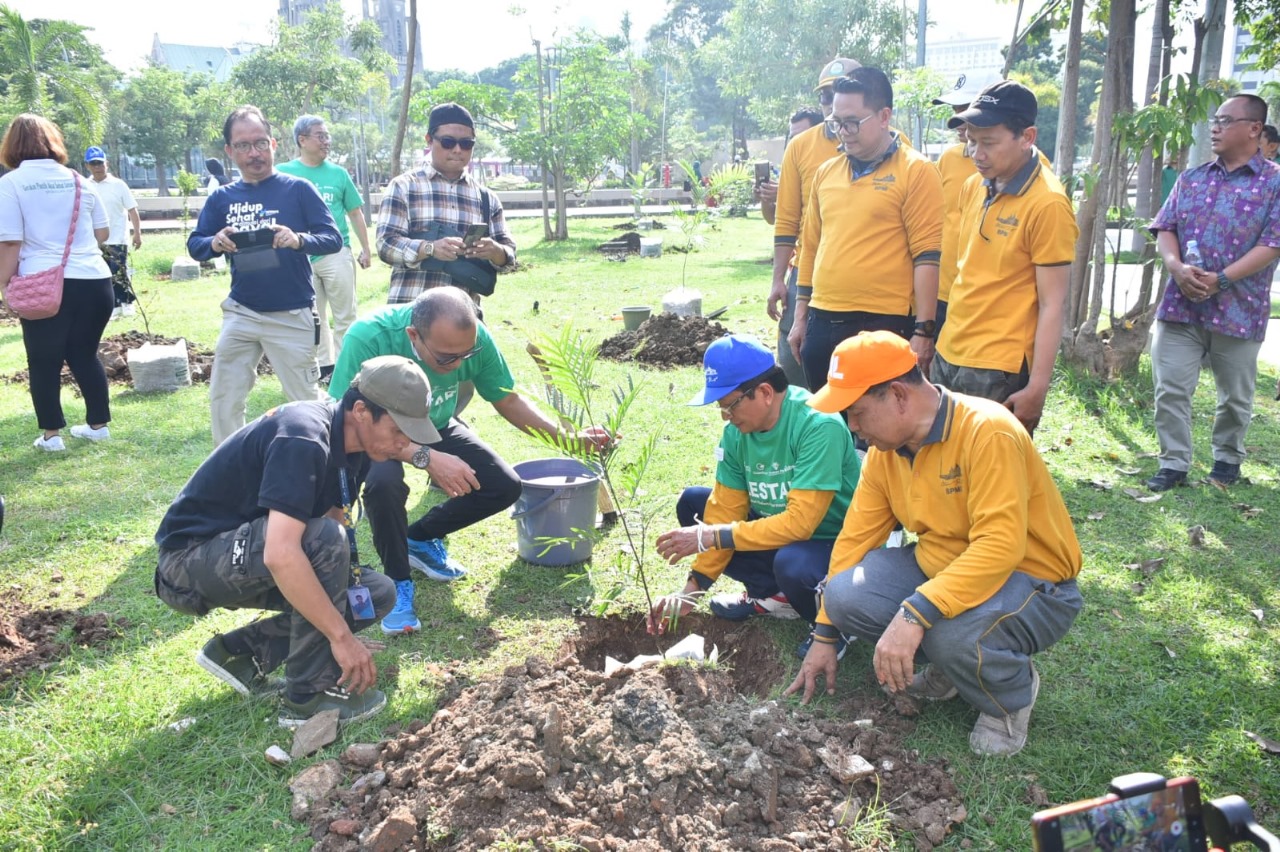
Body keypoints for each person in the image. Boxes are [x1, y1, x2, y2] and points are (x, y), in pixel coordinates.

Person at [786, 331, 1083, 757]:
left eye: (857, 413)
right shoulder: (885, 453)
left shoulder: (988, 431)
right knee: (844, 594)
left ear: (897, 395)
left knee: (949, 634)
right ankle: (957, 670)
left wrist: (916, 612)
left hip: (1034, 581)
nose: (853, 427)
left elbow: (1000, 546)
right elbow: (854, 540)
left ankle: (1008, 699)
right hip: (944, 569)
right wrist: (825, 633)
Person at [153, 355, 430, 727]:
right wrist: (341, 639)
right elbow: (283, 553)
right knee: (324, 541)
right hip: (188, 564)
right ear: (362, 410)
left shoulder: (359, 448)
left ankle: (240, 654)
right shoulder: (302, 436)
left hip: (249, 552)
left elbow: (331, 531)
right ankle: (306, 698)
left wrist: (342, 619)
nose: (404, 443)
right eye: (399, 429)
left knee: (375, 593)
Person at [328, 287, 611, 634]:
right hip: (378, 433)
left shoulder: (469, 339)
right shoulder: (370, 335)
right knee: (383, 485)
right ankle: (399, 582)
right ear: (413, 336)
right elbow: (347, 418)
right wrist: (424, 456)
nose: (459, 365)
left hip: (436, 424)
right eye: (447, 358)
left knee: (504, 486)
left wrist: (569, 439)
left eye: (467, 353)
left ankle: (417, 538)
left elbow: (506, 400)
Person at [647, 335, 860, 659]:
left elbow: (800, 525)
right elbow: (724, 511)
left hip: (835, 541)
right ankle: (773, 597)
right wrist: (690, 592)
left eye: (729, 405)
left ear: (763, 392)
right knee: (694, 504)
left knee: (794, 562)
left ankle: (837, 621)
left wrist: (709, 536)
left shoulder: (817, 425)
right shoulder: (736, 433)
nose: (726, 417)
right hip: (780, 534)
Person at [1145, 93, 1280, 491]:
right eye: (1214, 120)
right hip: (1180, 305)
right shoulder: (1192, 177)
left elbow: (1273, 244)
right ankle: (1173, 464)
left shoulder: (1274, 182)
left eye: (1225, 120)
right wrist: (1176, 267)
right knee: (1170, 388)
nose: (1215, 127)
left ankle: (1226, 460)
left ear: (1254, 128)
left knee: (1235, 397)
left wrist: (1221, 279)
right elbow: (1165, 227)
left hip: (1239, 309)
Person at [188, 105, 342, 446]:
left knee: (305, 402)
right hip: (242, 312)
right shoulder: (221, 198)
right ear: (229, 151)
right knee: (224, 398)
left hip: (292, 314)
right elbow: (195, 244)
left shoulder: (298, 189)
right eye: (243, 145)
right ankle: (228, 474)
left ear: (273, 144)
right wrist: (214, 242)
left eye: (259, 143)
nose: (253, 153)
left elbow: (332, 238)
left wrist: (298, 239)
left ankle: (322, 467)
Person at [933, 81, 1078, 435]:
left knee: (991, 476)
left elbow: (1053, 304)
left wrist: (1038, 387)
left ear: (1027, 137)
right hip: (950, 349)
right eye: (971, 141)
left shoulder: (1048, 204)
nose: (976, 154)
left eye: (989, 143)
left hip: (999, 367)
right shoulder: (975, 185)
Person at [791, 67, 943, 389]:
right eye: (836, 122)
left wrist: (923, 332)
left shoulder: (916, 172)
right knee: (828, 426)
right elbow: (810, 248)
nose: (843, 131)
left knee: (880, 432)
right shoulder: (826, 173)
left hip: (882, 323)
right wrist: (801, 316)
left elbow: (927, 258)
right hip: (822, 318)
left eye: (852, 122)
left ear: (884, 116)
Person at [0, 114, 114, 451]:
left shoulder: (11, 184)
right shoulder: (81, 181)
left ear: (12, 146)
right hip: (95, 280)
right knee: (84, 353)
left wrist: (3, 284)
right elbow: (103, 232)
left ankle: (51, 435)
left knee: (43, 359)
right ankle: (98, 425)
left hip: (43, 282)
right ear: (54, 143)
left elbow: (9, 243)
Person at [768, 57, 859, 388]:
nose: (832, 103)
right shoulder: (801, 147)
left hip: (866, 276)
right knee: (794, 356)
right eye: (826, 97)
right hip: (808, 270)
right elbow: (787, 219)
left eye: (843, 91)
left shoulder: (894, 146)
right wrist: (778, 279)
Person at [376, 103, 516, 306]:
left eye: (466, 143)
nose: (458, 150)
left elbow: (509, 254)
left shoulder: (486, 198)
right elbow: (385, 245)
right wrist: (429, 248)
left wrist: (495, 251)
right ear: (429, 140)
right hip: (410, 313)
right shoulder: (404, 187)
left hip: (464, 320)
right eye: (448, 142)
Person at [278, 116, 373, 381]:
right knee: (312, 317)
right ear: (302, 140)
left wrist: (366, 248)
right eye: (320, 136)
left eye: (327, 136)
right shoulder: (284, 172)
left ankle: (346, 369)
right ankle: (324, 369)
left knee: (345, 315)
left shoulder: (338, 174)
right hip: (300, 256)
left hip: (336, 252)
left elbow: (355, 213)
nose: (326, 141)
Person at [930, 71, 1000, 336]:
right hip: (942, 293)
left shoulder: (1020, 167)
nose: (959, 118)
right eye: (956, 108)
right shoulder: (948, 159)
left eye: (967, 108)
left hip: (986, 302)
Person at [83, 145, 141, 318]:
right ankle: (113, 305)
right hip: (95, 240)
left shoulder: (118, 185)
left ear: (106, 164)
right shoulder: (86, 186)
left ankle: (127, 302)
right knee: (104, 274)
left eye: (100, 163)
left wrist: (137, 233)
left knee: (119, 271)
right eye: (93, 164)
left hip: (117, 236)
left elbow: (132, 210)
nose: (97, 167)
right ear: (87, 166)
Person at [758, 107, 825, 227]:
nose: (795, 144)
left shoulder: (832, 164)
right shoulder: (792, 165)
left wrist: (786, 194)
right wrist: (765, 197)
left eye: (802, 137)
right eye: (792, 139)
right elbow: (772, 218)